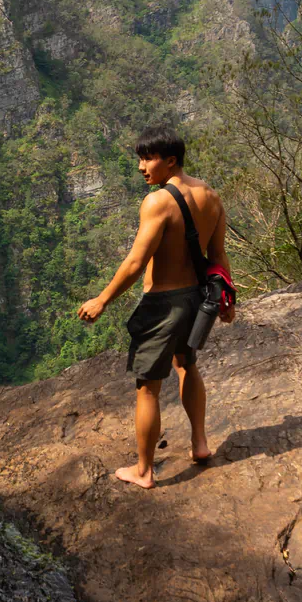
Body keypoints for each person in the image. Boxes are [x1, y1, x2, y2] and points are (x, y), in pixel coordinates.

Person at [77, 128, 234, 488]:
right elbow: (219, 255)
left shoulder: (157, 202)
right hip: (197, 298)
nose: (141, 167)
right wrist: (227, 298)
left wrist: (102, 299)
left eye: (147, 159)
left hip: (163, 304)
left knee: (148, 387)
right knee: (187, 366)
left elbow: (135, 263)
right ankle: (199, 443)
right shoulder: (211, 196)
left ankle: (144, 470)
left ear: (171, 161)